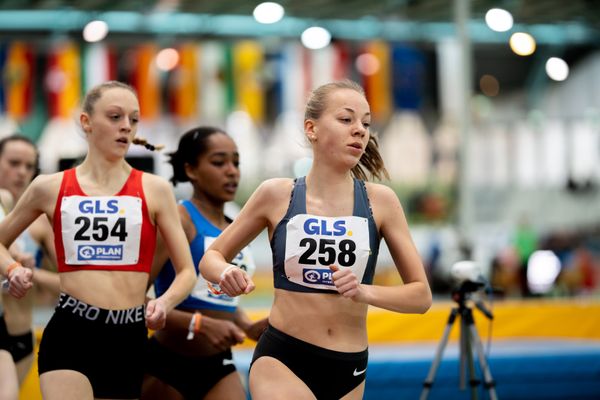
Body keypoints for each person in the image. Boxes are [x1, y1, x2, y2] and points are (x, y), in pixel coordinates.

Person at [200, 79, 432, 400]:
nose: (360, 130)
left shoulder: (382, 202)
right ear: (312, 129)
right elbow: (211, 257)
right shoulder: (276, 194)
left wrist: (363, 291)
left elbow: (421, 297)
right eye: (346, 119)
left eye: (365, 123)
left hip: (349, 366)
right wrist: (227, 273)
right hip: (284, 358)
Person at [0, 80, 196, 400]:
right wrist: (11, 270)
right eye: (115, 117)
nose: (126, 127)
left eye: (133, 119)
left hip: (128, 337)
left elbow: (186, 271)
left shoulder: (154, 189)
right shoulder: (49, 187)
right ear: (86, 122)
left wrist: (164, 302)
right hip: (72, 332)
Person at [142, 126, 268, 400]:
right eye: (219, 162)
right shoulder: (178, 220)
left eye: (236, 162)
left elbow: (213, 296)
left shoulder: (234, 227)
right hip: (167, 363)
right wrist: (198, 324)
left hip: (217, 364)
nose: (232, 171)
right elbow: (132, 301)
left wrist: (247, 326)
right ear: (191, 170)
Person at [0, 134, 60, 400]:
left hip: (22, 334)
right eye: (14, 163)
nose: (21, 172)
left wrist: (30, 273)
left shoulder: (41, 223)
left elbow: (73, 282)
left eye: (29, 166)